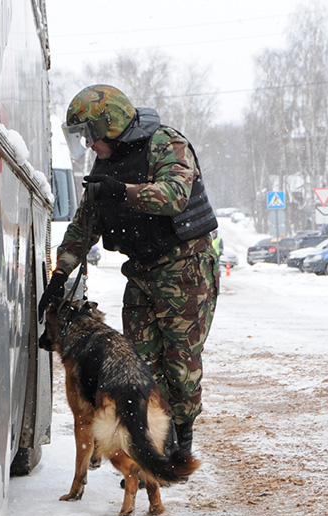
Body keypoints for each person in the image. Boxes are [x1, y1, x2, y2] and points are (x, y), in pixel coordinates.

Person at [38, 84, 220, 455]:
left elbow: (175, 195)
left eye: (90, 134)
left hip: (184, 269)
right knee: (137, 364)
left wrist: (124, 191)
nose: (88, 144)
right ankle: (150, 447)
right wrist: (60, 275)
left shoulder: (166, 144)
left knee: (180, 365)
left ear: (111, 125)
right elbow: (84, 224)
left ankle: (179, 443)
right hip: (141, 271)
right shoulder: (106, 164)